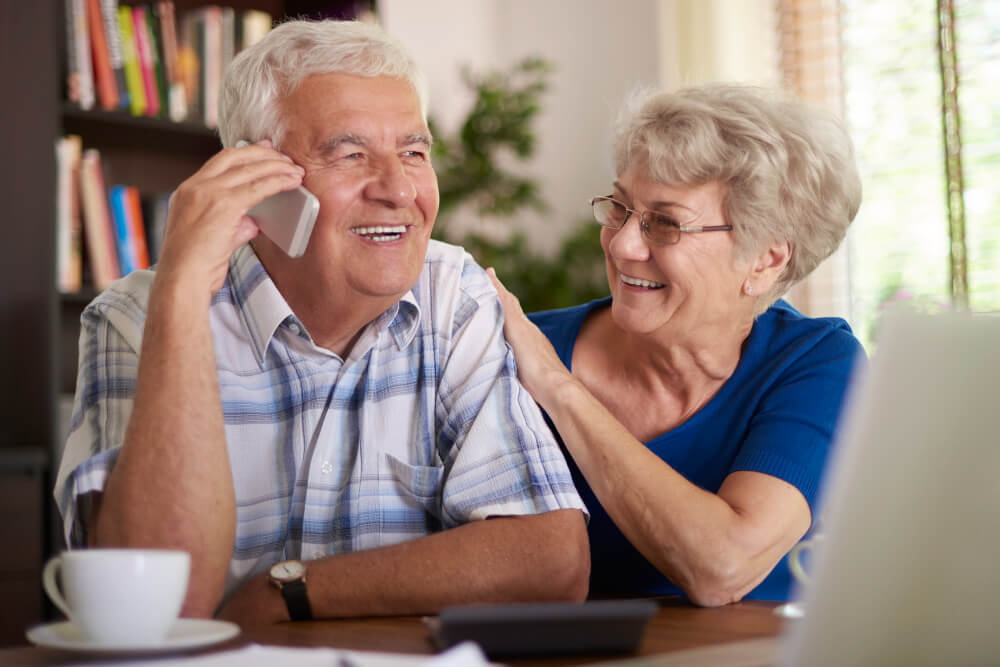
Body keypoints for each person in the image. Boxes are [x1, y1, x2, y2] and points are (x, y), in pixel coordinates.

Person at [54, 19, 589, 625]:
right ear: (255, 184)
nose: (398, 189)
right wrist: (180, 297)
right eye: (350, 153)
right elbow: (155, 608)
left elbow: (551, 561)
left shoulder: (454, 295)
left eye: (414, 152)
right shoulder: (136, 318)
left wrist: (289, 591)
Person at [489, 84, 864, 605]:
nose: (622, 244)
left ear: (765, 260)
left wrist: (559, 387)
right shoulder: (515, 346)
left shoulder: (814, 364)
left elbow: (724, 566)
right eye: (619, 207)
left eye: (665, 224)